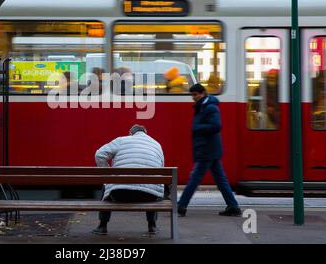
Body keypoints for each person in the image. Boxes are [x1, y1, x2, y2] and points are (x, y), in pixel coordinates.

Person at [177, 83, 241, 217]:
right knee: (220, 179)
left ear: (202, 93)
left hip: (207, 149)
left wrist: (197, 128)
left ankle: (181, 206)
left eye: (195, 95)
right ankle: (233, 206)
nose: (193, 98)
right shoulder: (203, 106)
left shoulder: (210, 107)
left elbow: (216, 126)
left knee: (194, 178)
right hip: (209, 149)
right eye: (192, 95)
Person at [92, 124, 165, 235]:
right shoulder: (156, 145)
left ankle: (102, 226)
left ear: (130, 133)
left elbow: (99, 155)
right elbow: (160, 171)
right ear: (146, 133)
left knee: (107, 182)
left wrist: (108, 174)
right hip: (148, 197)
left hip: (119, 193)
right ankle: (152, 226)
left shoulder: (121, 140)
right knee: (152, 184)